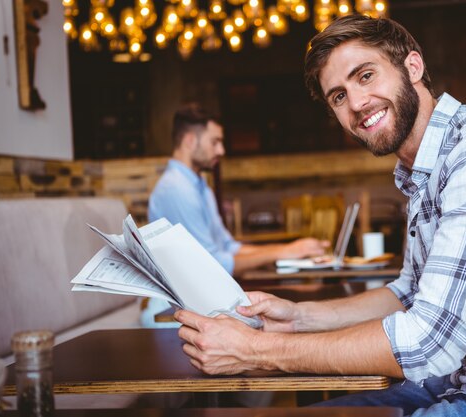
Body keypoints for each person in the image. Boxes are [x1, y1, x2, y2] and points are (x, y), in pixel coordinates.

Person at [174, 15, 466, 417]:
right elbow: (408, 294)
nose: (356, 103)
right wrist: (298, 317)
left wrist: (257, 348)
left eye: (366, 76)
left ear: (413, 67)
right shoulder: (419, 170)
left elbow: (429, 342)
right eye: (338, 96)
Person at [141, 103, 329, 328]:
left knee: (288, 313)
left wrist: (292, 250)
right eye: (215, 142)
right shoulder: (176, 189)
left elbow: (228, 247)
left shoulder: (199, 185)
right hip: (174, 312)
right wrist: (286, 251)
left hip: (201, 302)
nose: (221, 150)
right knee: (288, 321)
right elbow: (212, 264)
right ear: (190, 141)